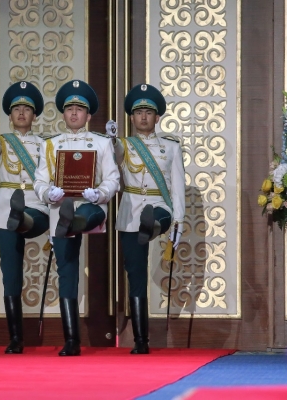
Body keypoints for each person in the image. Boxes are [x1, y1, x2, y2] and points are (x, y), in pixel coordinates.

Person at [34, 79, 120, 356]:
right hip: (61, 208)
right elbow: (38, 182)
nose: (74, 113)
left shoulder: (102, 143)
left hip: (92, 205)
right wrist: (50, 193)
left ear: (88, 115)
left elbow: (113, 179)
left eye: (79, 109)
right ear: (63, 113)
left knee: (85, 214)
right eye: (69, 108)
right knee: (67, 271)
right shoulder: (51, 145)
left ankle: (77, 219)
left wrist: (99, 193)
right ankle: (72, 339)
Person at [107, 84, 185, 354]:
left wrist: (179, 222)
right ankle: (141, 340)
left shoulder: (171, 147)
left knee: (159, 217)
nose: (143, 117)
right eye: (138, 112)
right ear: (131, 117)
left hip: (159, 203)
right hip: (131, 210)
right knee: (135, 274)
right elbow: (113, 156)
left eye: (148, 112)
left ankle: (154, 223)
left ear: (157, 117)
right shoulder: (123, 146)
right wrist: (111, 139)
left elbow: (177, 188)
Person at [0, 81, 50, 354]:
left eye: (27, 109)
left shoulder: (45, 145)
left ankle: (23, 218)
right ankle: (16, 338)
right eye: (16, 109)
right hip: (6, 204)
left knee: (34, 220)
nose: (21, 113)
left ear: (34, 116)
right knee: (11, 273)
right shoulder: (1, 142)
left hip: (36, 201)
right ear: (9, 116)